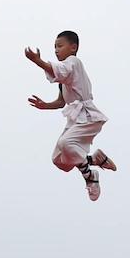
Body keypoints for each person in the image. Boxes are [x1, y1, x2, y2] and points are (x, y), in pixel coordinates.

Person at [25, 31, 116, 201]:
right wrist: (45, 105)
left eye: (60, 46)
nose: (56, 50)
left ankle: (90, 176)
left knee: (65, 143)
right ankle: (93, 159)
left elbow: (58, 70)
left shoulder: (73, 62)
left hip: (87, 116)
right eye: (54, 47)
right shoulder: (64, 76)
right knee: (59, 160)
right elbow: (61, 102)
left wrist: (38, 61)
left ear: (73, 47)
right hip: (75, 119)